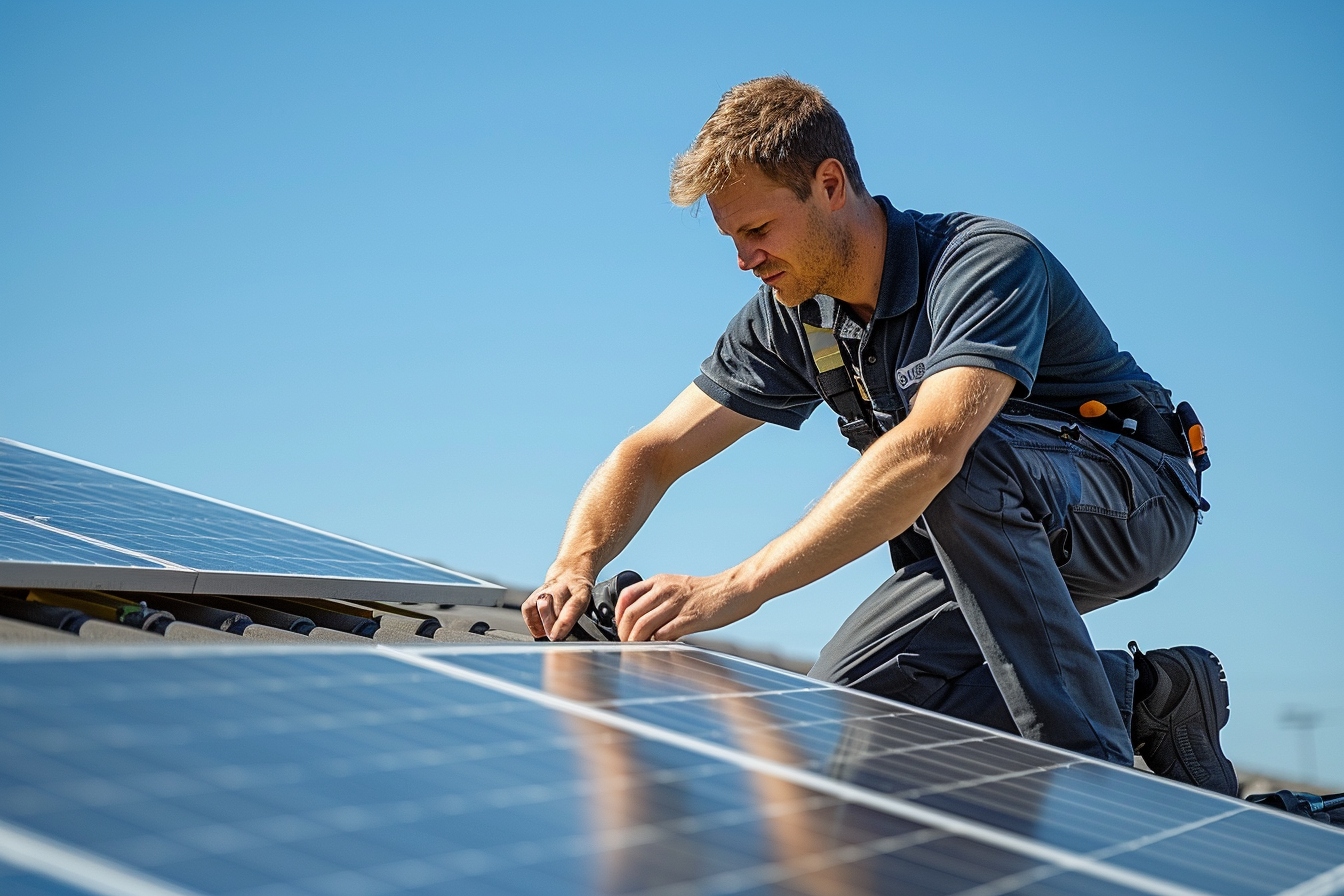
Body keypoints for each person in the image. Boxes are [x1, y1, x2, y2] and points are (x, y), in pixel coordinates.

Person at [522, 76, 1236, 795]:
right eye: (732, 238)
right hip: (981, 534)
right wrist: (573, 563)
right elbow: (653, 451)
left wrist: (738, 587)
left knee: (954, 457)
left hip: (1132, 498)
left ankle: (1097, 794)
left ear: (830, 184)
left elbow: (932, 450)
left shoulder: (982, 262)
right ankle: (1150, 695)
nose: (744, 260)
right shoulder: (795, 313)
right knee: (859, 707)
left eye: (758, 231)